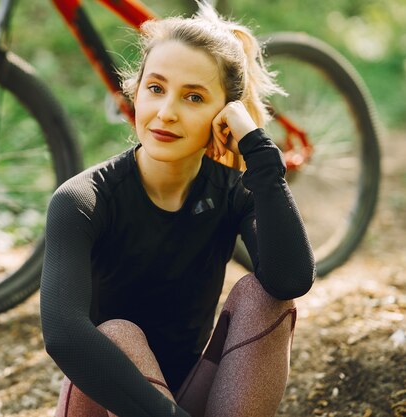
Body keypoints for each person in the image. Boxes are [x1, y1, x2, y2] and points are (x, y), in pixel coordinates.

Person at [40, 3, 315, 416]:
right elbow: (64, 335)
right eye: (156, 88)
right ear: (136, 91)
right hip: (112, 404)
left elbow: (290, 278)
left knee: (265, 296)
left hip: (192, 395)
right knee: (118, 334)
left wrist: (258, 150)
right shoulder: (83, 199)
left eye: (193, 97)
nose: (166, 112)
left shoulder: (230, 192)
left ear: (223, 115)